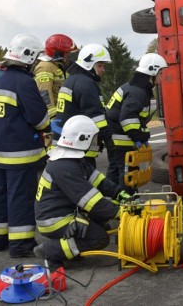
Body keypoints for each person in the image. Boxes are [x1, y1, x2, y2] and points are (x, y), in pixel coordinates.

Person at [34, 115, 130, 268]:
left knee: (103, 218)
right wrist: (122, 213)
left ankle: (71, 246)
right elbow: (92, 202)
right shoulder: (65, 166)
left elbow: (100, 182)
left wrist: (121, 194)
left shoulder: (73, 160)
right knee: (99, 238)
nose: (97, 142)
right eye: (94, 138)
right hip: (54, 220)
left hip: (63, 212)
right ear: (83, 139)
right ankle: (51, 250)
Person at [0, 34, 50, 258]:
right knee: (20, 197)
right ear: (28, 56)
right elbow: (39, 119)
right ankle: (21, 245)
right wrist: (50, 124)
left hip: (0, 151)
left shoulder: (2, 80)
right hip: (20, 153)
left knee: (0, 195)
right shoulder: (24, 82)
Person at [105, 53, 168, 191]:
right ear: (152, 72)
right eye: (160, 73)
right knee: (128, 173)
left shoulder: (134, 88)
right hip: (121, 139)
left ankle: (113, 202)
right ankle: (129, 205)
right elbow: (127, 119)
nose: (161, 76)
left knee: (116, 170)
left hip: (114, 137)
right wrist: (139, 137)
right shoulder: (138, 92)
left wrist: (142, 134)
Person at [53, 43, 113, 167]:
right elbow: (96, 117)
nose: (103, 70)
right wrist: (109, 140)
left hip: (67, 143)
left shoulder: (72, 80)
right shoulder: (86, 84)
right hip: (79, 147)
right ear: (89, 64)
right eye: (100, 65)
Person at [34, 34, 78, 119]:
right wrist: (53, 118)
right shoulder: (45, 67)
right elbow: (44, 95)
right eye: (66, 53)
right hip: (53, 119)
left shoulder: (58, 66)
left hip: (63, 116)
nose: (67, 55)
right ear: (58, 53)